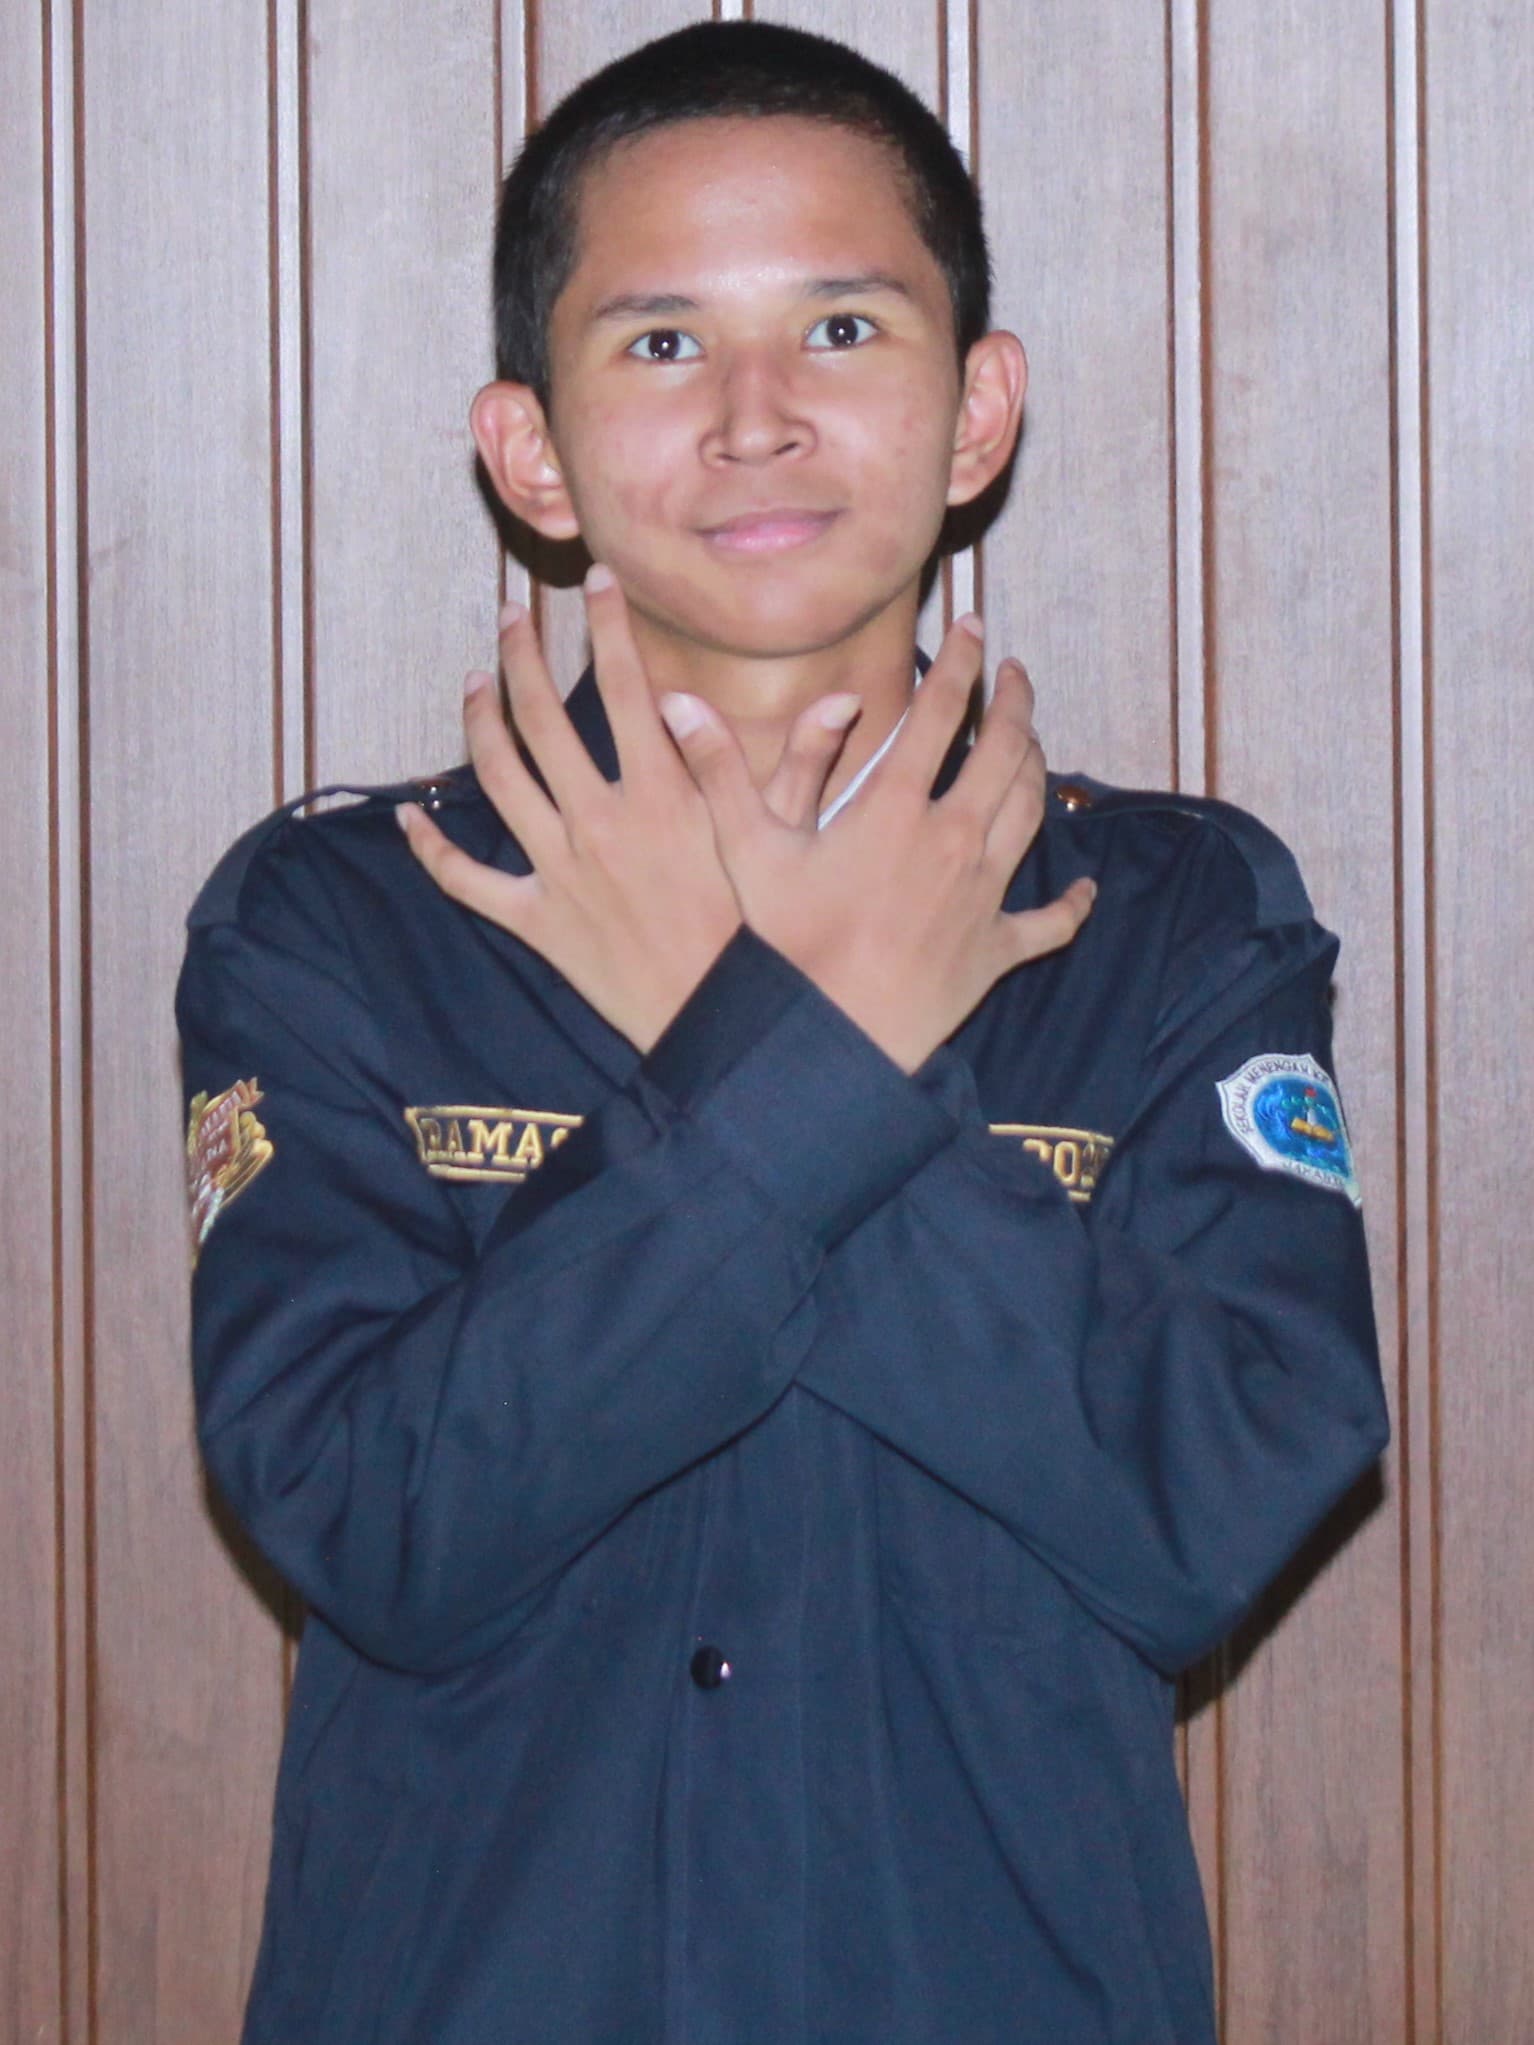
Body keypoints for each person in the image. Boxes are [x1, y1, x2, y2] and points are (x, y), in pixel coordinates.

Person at [178, 21, 1388, 2043]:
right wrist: (820, 1054)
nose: (754, 419)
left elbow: (1206, 1506)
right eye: (661, 343)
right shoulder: (345, 923)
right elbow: (381, 1523)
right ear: (532, 451)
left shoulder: (1173, 918)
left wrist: (712, 1018)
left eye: (840, 328)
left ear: (974, 410)